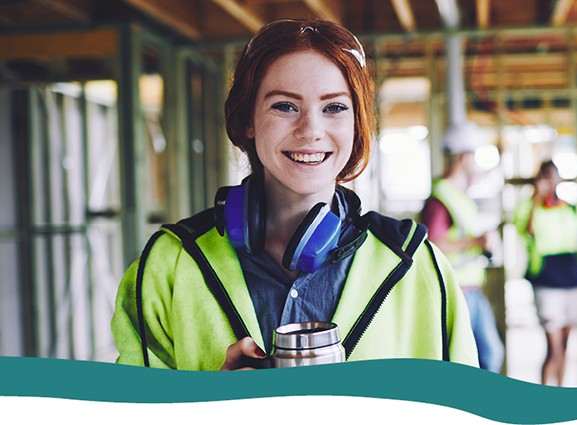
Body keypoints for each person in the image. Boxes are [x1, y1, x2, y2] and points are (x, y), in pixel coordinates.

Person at [111, 19, 478, 370]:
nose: (311, 130)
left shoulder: (417, 267)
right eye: (285, 106)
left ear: (357, 124)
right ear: (247, 121)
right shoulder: (169, 266)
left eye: (334, 107)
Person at [418, 121, 505, 373]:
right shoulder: (441, 199)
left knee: (490, 354)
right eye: (474, 155)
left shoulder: (458, 193)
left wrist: (499, 160)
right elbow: (433, 242)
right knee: (475, 358)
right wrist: (476, 242)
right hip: (457, 292)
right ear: (464, 156)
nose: (476, 161)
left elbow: (479, 175)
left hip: (471, 290)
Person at [513, 160, 577, 386]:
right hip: (546, 281)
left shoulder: (573, 209)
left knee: (565, 345)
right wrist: (536, 198)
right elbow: (526, 230)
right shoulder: (527, 207)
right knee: (554, 348)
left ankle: (560, 389)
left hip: (572, 279)